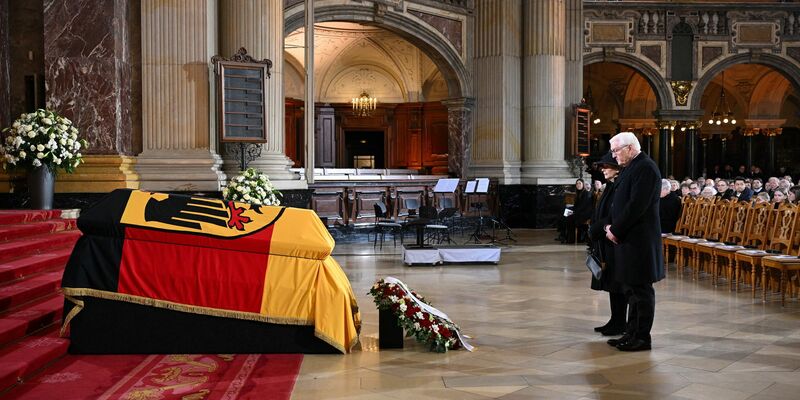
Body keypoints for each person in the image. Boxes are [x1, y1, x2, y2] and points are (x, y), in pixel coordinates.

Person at [604, 132, 664, 352]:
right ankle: (631, 333)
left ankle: (642, 338)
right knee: (631, 290)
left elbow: (636, 206)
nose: (613, 155)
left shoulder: (646, 168)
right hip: (629, 239)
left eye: (616, 151)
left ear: (629, 148)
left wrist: (615, 229)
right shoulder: (633, 167)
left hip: (640, 241)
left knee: (641, 291)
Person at [588, 152, 626, 336]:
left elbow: (615, 214)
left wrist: (599, 227)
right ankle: (615, 320)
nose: (603, 170)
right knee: (611, 283)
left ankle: (620, 322)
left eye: (606, 166)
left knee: (618, 284)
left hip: (613, 239)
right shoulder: (610, 185)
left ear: (616, 169)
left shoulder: (620, 186)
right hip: (604, 239)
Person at [556, 179, 593, 244]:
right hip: (579, 212)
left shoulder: (586, 193)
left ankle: (570, 239)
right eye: (577, 184)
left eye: (580, 183)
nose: (578, 185)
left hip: (585, 214)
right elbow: (576, 206)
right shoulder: (578, 193)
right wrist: (570, 209)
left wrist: (573, 212)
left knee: (569, 218)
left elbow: (583, 206)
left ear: (583, 185)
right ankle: (563, 236)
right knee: (563, 214)